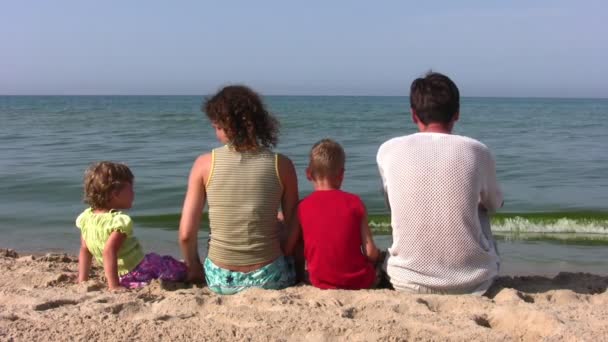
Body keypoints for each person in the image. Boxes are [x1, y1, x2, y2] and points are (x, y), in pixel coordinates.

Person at [376, 72, 503, 295]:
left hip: (406, 278)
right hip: (473, 281)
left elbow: (391, 205)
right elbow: (494, 204)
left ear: (413, 115)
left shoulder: (388, 150)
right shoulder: (477, 151)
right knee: (481, 206)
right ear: (457, 114)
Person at [179, 85, 299, 295]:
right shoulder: (283, 165)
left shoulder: (203, 164)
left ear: (228, 126)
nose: (216, 132)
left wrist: (195, 267)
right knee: (279, 220)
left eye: (217, 126)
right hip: (270, 277)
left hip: (219, 280)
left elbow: (186, 234)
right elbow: (294, 227)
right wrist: (289, 257)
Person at [285, 139, 380, 290]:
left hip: (319, 281)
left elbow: (288, 248)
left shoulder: (302, 206)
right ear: (341, 174)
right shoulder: (355, 202)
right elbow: (370, 252)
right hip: (358, 281)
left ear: (308, 174)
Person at [76, 161, 186, 290]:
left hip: (117, 274)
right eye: (130, 189)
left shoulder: (86, 218)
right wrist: (114, 286)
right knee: (172, 267)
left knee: (161, 261)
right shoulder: (119, 221)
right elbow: (109, 251)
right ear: (115, 194)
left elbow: (85, 250)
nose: (133, 193)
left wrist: (82, 279)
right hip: (136, 270)